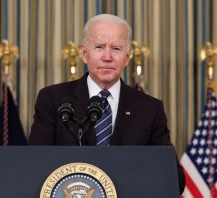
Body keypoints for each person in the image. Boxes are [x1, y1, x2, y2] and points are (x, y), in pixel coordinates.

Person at [28, 14, 185, 193]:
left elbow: (175, 179)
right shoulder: (53, 99)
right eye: (99, 47)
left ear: (127, 57)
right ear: (85, 54)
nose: (107, 57)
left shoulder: (150, 109)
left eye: (116, 48)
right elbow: (34, 166)